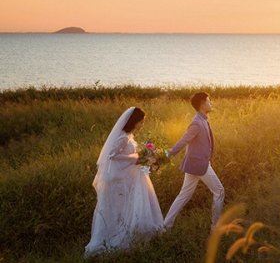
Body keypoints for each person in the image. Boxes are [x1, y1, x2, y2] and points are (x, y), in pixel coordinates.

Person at [85, 107, 164, 257]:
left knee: (129, 207)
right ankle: (117, 238)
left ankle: (133, 234)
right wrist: (137, 157)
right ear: (134, 121)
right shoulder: (122, 137)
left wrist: (141, 157)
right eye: (141, 122)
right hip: (120, 179)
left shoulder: (129, 135)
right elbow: (111, 156)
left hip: (131, 176)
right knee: (119, 209)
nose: (142, 125)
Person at [164, 92, 224, 231]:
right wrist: (168, 154)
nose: (211, 103)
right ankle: (215, 227)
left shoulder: (203, 119)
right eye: (209, 101)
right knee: (219, 191)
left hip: (195, 164)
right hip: (199, 165)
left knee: (183, 195)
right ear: (202, 104)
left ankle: (165, 226)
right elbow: (184, 140)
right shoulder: (197, 123)